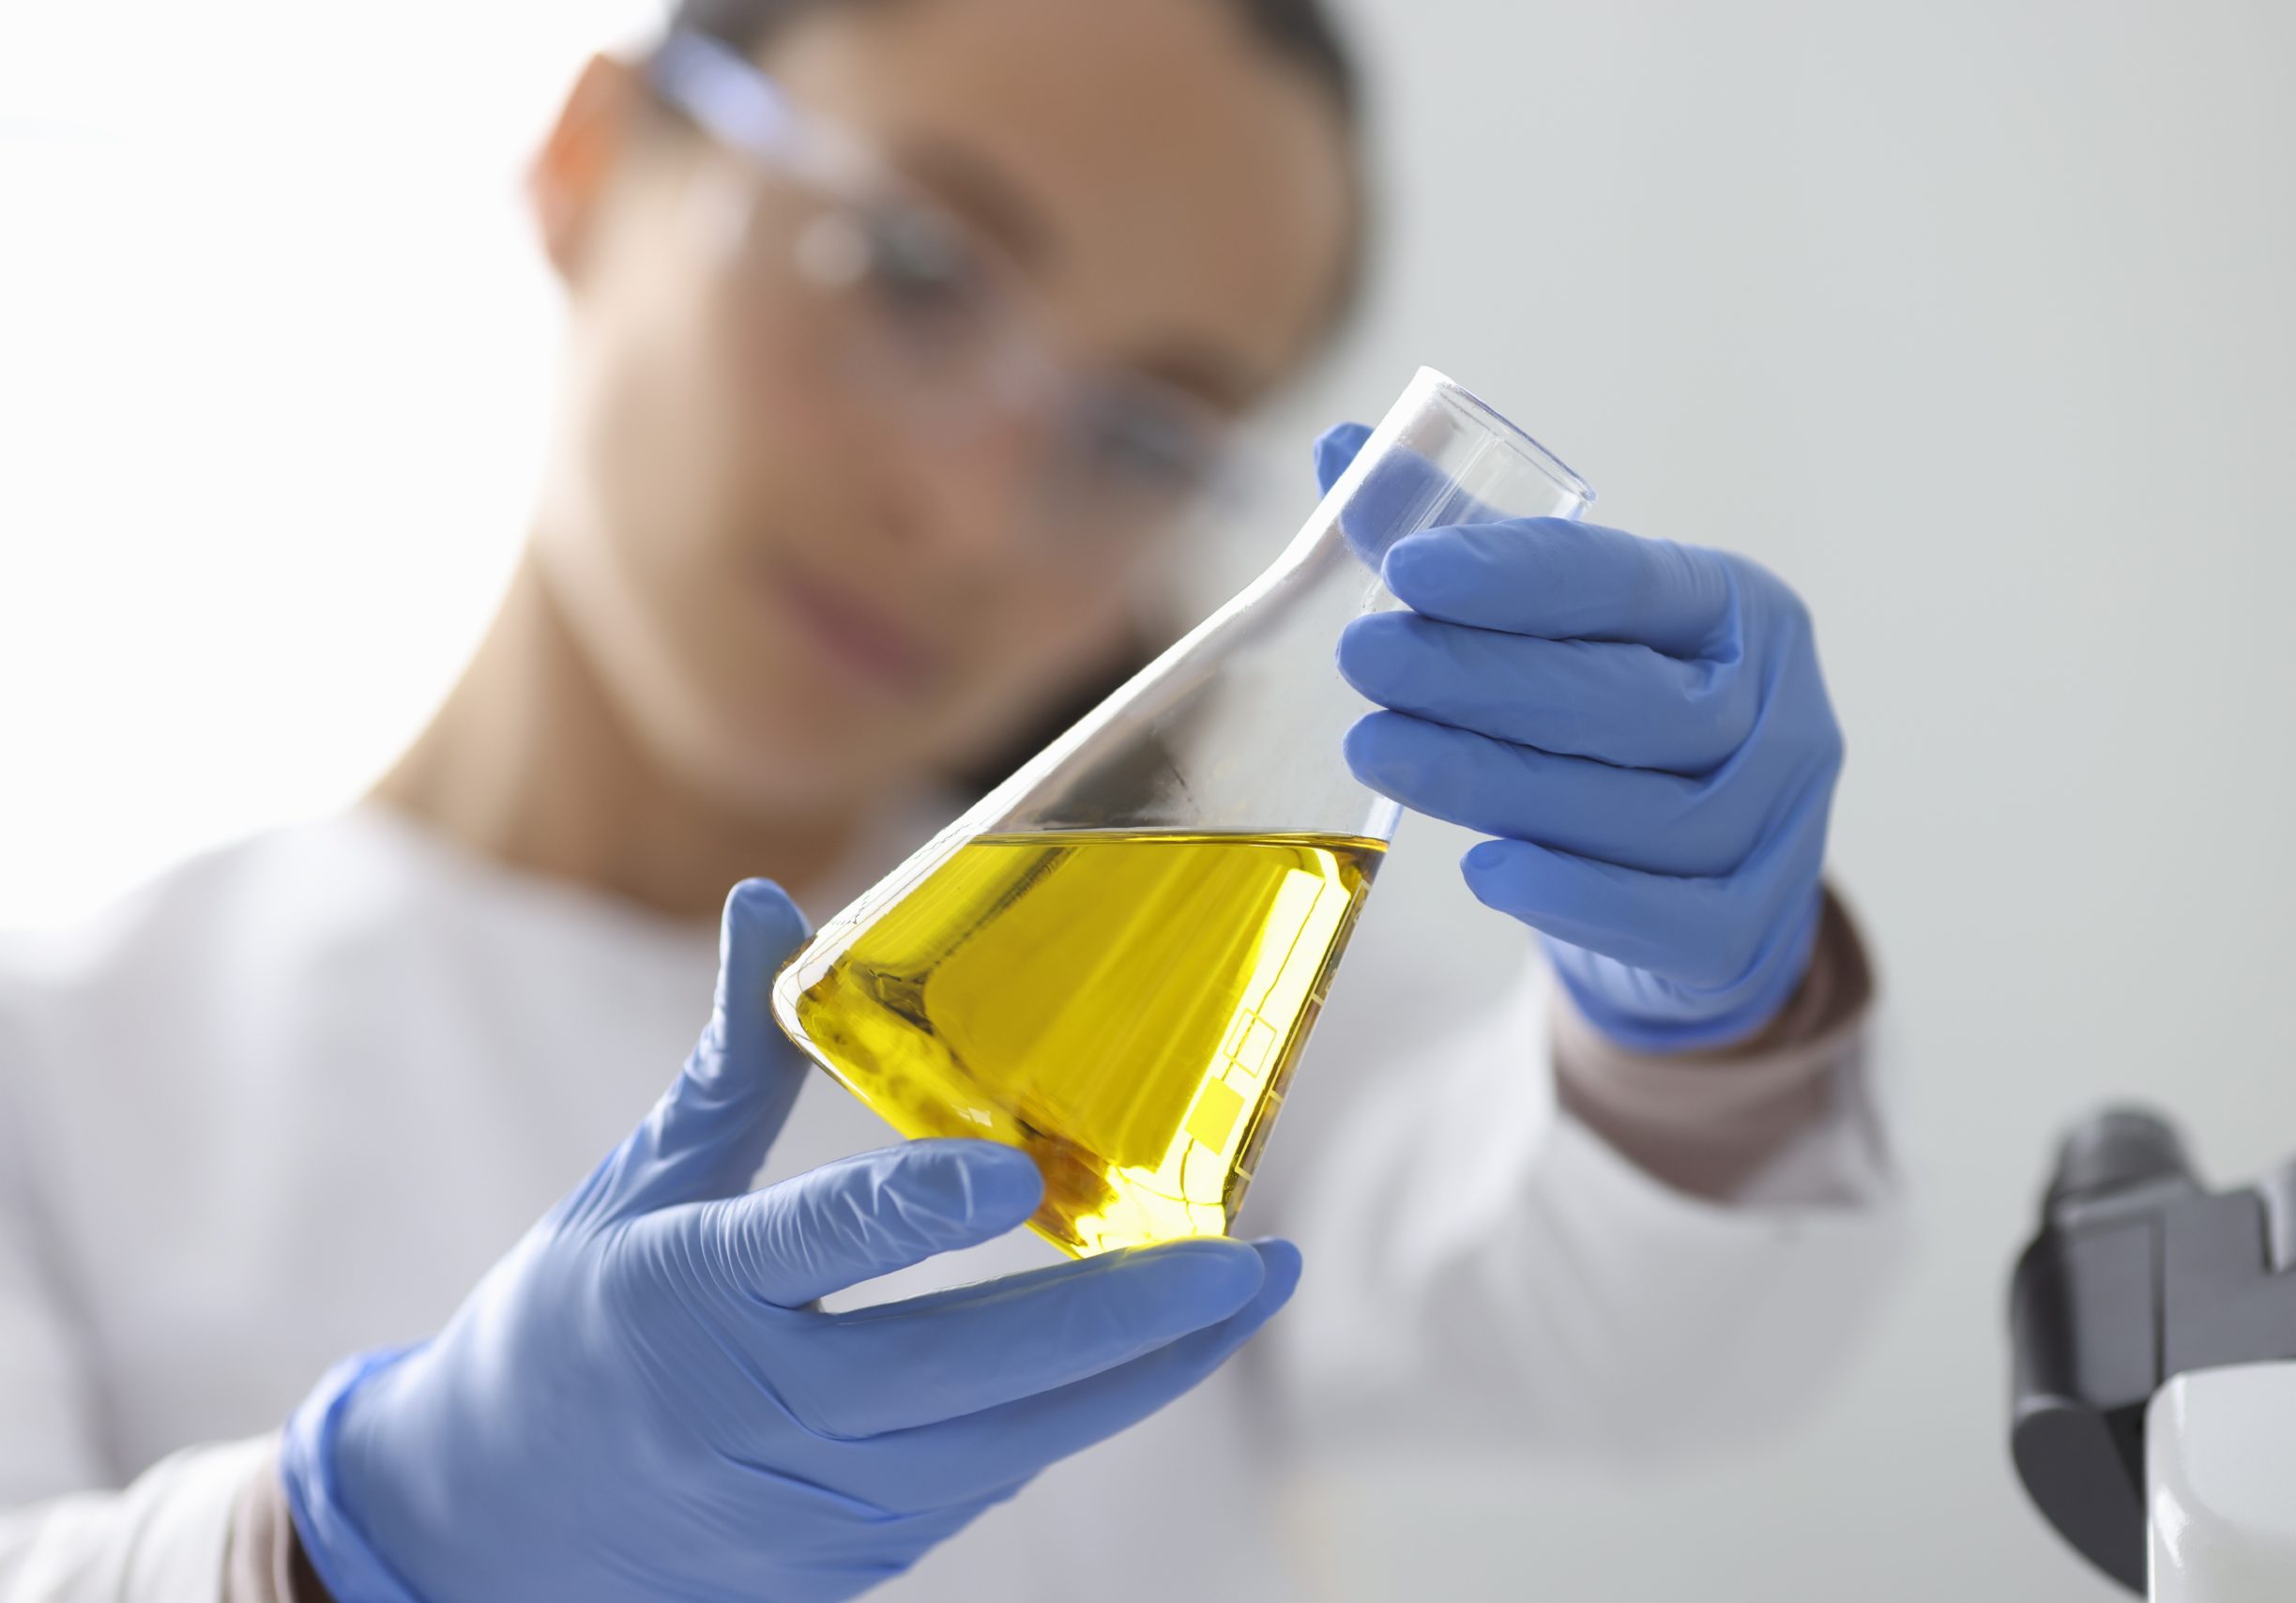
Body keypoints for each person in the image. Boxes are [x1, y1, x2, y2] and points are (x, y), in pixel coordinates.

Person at [0, 0, 1896, 1597]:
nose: (971, 513)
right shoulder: (61, 1065)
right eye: (908, 270)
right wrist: (344, 1539)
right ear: (591, 163)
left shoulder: (1161, 1029)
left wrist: (1696, 1026)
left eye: (1141, 431)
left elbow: (1628, 1336)